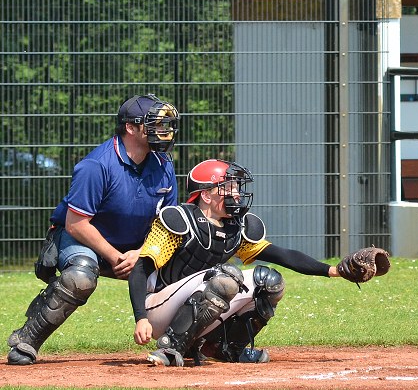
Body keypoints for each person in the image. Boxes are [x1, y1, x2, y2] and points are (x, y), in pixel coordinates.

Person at [7, 94, 180, 365]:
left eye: (165, 125)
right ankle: (27, 340)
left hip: (135, 247)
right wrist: (115, 257)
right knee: (81, 276)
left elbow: (167, 223)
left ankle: (190, 342)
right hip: (83, 240)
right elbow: (76, 224)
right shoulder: (96, 165)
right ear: (130, 128)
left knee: (185, 267)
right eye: (154, 124)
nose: (164, 131)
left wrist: (143, 253)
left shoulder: (163, 165)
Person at [129, 159, 349, 367]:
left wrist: (334, 270)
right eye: (228, 187)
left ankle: (225, 348)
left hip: (197, 300)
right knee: (227, 277)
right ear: (206, 195)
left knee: (269, 282)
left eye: (235, 187)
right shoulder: (179, 219)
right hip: (157, 310)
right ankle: (170, 347)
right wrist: (141, 319)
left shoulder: (235, 228)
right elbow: (139, 270)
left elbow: (282, 255)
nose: (236, 194)